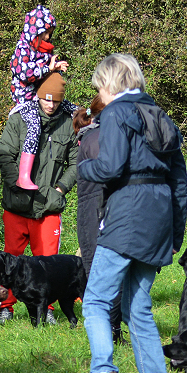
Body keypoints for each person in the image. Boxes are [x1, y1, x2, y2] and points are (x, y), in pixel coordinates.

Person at [73, 53, 187, 373]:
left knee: (94, 301)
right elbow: (179, 181)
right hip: (158, 216)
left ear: (109, 84)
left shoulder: (117, 113)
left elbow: (109, 167)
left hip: (127, 213)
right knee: (137, 303)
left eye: (99, 88)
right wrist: (175, 234)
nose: (98, 94)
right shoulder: (161, 115)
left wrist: (82, 168)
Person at [0, 72, 78, 324]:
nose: (50, 105)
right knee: (8, 259)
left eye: (55, 101)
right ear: (38, 96)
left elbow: (77, 161)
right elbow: (3, 155)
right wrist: (17, 182)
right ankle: (5, 308)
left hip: (49, 206)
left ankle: (48, 310)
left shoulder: (69, 122)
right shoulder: (19, 119)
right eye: (46, 99)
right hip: (16, 205)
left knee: (49, 262)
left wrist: (61, 188)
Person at [8, 5, 77, 189]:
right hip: (26, 99)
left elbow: (49, 70)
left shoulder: (44, 50)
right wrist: (48, 68)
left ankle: (86, 129)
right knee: (34, 127)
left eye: (50, 33)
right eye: (45, 32)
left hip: (43, 96)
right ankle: (24, 175)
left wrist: (56, 66)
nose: (47, 37)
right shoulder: (22, 48)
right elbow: (24, 73)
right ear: (35, 30)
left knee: (71, 109)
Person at [73, 96, 122, 341]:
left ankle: (110, 328)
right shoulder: (98, 138)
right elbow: (109, 175)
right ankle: (109, 330)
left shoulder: (91, 137)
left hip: (93, 208)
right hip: (98, 207)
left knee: (100, 269)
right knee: (102, 271)